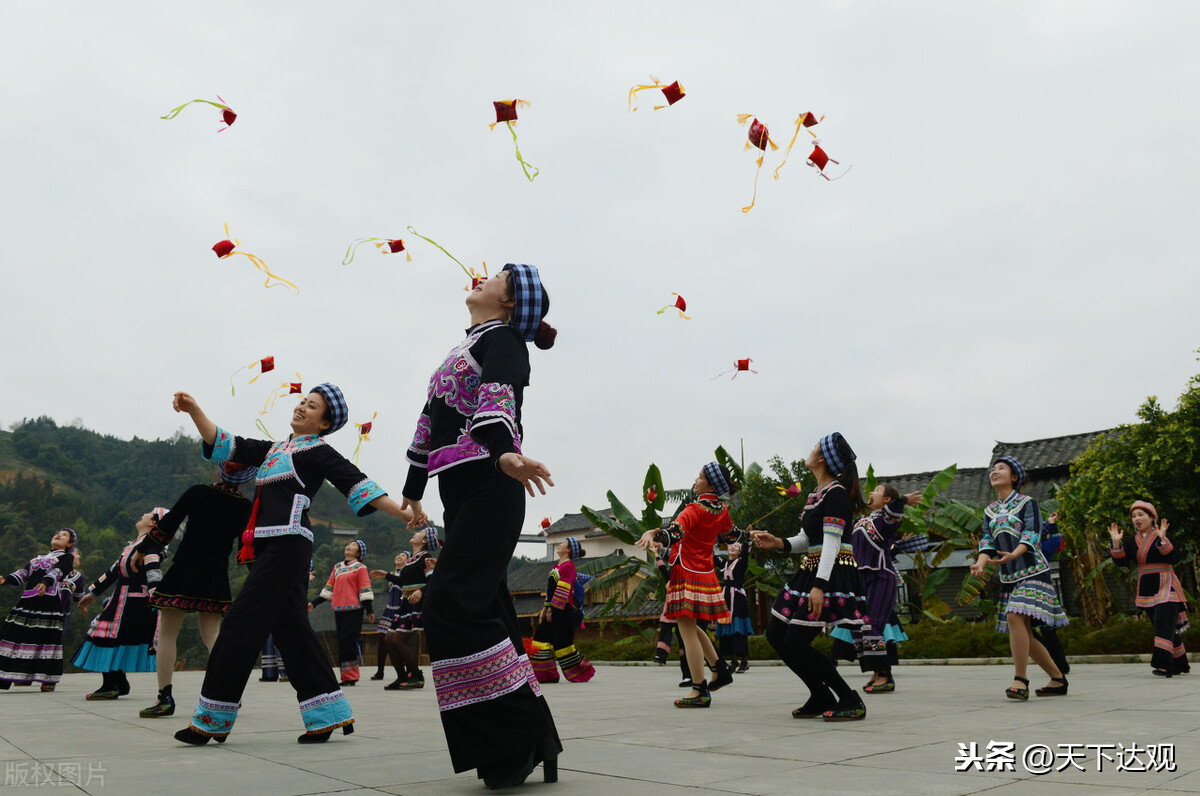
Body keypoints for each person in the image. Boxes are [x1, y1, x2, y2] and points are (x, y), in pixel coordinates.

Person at [169, 384, 413, 745]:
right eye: (302, 402)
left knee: (240, 621)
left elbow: (359, 485)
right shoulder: (271, 450)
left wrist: (405, 512)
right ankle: (327, 714)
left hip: (289, 546)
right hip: (265, 549)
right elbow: (224, 442)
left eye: (311, 406)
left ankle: (212, 718)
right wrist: (193, 410)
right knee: (292, 630)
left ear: (324, 423)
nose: (301, 408)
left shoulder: (318, 451)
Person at [400, 263, 561, 788]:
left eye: (495, 277)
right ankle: (535, 738)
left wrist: (504, 455)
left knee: (451, 605)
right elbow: (431, 418)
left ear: (511, 303)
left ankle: (512, 738)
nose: (482, 278)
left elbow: (500, 397)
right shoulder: (464, 346)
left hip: (493, 486)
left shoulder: (505, 341)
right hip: (463, 491)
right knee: (488, 609)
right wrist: (413, 488)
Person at [752, 432, 869, 721]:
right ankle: (819, 694)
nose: (811, 449)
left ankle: (850, 699)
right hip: (812, 570)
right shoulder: (817, 495)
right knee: (776, 634)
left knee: (794, 641)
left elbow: (831, 542)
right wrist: (778, 542)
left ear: (823, 458)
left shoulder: (837, 493)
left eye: (816, 445)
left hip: (829, 574)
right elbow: (808, 539)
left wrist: (820, 586)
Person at [134, 461, 256, 717]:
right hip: (215, 575)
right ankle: (228, 693)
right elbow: (247, 548)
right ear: (246, 480)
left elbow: (168, 525)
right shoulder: (246, 507)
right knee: (213, 635)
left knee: (167, 634)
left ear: (219, 471)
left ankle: (164, 698)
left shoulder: (198, 492)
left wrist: (142, 548)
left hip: (185, 568)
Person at [637, 462, 738, 708]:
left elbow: (673, 534)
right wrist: (751, 536)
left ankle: (699, 688)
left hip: (686, 572)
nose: (696, 479)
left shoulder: (694, 509)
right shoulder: (721, 509)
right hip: (705, 572)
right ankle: (719, 669)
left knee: (686, 631)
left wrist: (653, 534)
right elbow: (732, 536)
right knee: (691, 627)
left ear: (710, 484)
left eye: (700, 476)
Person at [970, 456, 1068, 699]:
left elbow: (1032, 534)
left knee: (1014, 616)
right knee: (1023, 630)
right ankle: (1058, 679)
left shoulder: (1027, 503)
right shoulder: (989, 511)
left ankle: (1020, 679)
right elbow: (987, 541)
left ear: (1014, 477)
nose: (995, 471)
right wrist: (980, 563)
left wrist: (1013, 553)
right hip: (1009, 577)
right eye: (993, 468)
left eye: (1001, 468)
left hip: (1034, 571)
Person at [830, 484, 919, 693]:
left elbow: (894, 511)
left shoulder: (887, 519)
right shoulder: (861, 521)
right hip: (859, 578)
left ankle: (886, 675)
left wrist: (902, 500)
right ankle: (876, 672)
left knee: (874, 624)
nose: (871, 492)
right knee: (862, 626)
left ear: (887, 500)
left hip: (880, 576)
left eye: (877, 490)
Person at [73, 512, 166, 699]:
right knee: (111, 639)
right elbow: (113, 571)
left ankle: (111, 685)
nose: (142, 515)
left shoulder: (151, 547)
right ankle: (118, 683)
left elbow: (153, 573)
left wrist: (158, 599)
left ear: (153, 522)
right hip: (123, 600)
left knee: (104, 637)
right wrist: (92, 594)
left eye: (147, 514)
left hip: (134, 603)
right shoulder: (133, 546)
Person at [1109, 500, 1190, 677]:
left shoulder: (1164, 536)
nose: (1137, 518)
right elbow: (1122, 561)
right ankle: (1180, 662)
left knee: (1162, 622)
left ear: (1152, 517)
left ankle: (1163, 665)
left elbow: (1174, 558)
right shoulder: (1132, 541)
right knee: (1164, 627)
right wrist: (1116, 545)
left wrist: (1162, 540)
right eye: (1133, 516)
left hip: (1167, 584)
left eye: (1141, 515)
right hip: (1146, 587)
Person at [0, 529, 78, 692]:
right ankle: (4, 677)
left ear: (69, 544)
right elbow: (23, 573)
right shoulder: (38, 559)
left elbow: (59, 571)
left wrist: (45, 582)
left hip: (48, 603)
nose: (58, 535)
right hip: (27, 602)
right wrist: (6, 579)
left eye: (64, 535)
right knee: (11, 636)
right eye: (57, 533)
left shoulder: (66, 558)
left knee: (45, 640)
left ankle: (48, 680)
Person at [371, 527, 437, 690]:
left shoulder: (426, 558)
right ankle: (401, 677)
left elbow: (433, 581)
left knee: (397, 639)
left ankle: (416, 676)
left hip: (416, 603)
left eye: (419, 533)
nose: (415, 533)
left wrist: (420, 592)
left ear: (424, 540)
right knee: (388, 640)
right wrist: (386, 575)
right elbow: (404, 583)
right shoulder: (411, 560)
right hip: (406, 602)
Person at [309, 540, 375, 687]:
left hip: (355, 610)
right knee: (341, 642)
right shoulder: (337, 567)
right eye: (349, 544)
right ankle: (346, 677)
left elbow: (364, 588)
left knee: (348, 642)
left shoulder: (360, 567)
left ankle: (351, 676)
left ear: (358, 553)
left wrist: (369, 610)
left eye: (353, 546)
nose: (349, 546)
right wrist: (314, 603)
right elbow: (329, 589)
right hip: (339, 610)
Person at [531, 537, 596, 684]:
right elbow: (550, 590)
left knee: (563, 644)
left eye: (562, 544)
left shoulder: (568, 566)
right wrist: (544, 608)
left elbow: (563, 590)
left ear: (568, 550)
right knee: (541, 640)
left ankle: (583, 672)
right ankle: (546, 675)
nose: (559, 545)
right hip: (553, 609)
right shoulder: (557, 565)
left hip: (562, 610)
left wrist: (551, 611)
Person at [1032, 511, 1070, 676]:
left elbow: (1055, 541)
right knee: (1025, 630)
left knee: (1048, 630)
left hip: (1042, 594)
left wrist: (1051, 524)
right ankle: (1046, 656)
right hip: (1023, 597)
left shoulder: (1042, 550)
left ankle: (1061, 665)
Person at [714, 542, 753, 674]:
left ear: (740, 551)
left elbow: (746, 554)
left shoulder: (741, 563)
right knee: (727, 629)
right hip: (725, 598)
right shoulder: (724, 564)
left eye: (736, 546)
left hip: (738, 598)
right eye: (731, 545)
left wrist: (747, 538)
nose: (732, 547)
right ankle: (733, 660)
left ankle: (744, 661)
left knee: (738, 628)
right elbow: (712, 556)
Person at [371, 551, 409, 681]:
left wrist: (385, 575)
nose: (399, 556)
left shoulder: (407, 573)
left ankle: (407, 671)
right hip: (389, 610)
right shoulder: (391, 574)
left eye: (403, 556)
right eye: (398, 555)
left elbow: (403, 584)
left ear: (408, 560)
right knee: (382, 640)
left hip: (402, 610)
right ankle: (380, 671)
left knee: (400, 641)